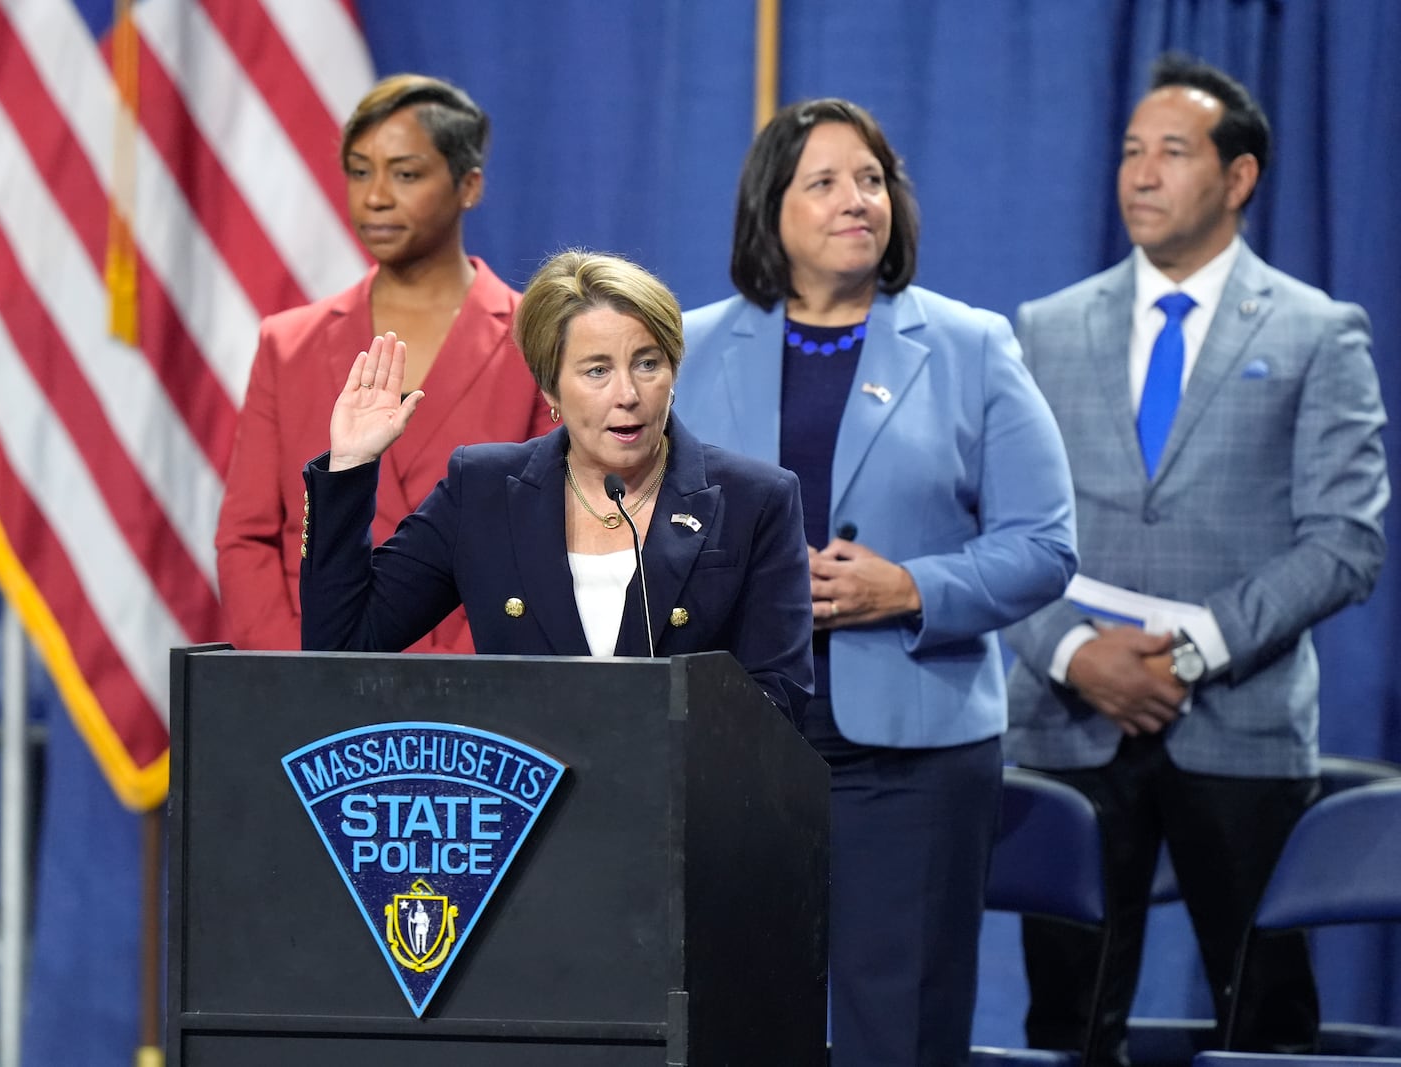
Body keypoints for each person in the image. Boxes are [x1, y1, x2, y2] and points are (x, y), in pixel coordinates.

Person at [673, 98, 1078, 1065]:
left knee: (894, 1030)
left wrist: (909, 588)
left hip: (914, 744)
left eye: (873, 178)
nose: (858, 199)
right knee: (730, 1019)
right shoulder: (685, 348)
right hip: (735, 736)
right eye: (825, 182)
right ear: (770, 209)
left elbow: (1046, 542)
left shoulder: (972, 346)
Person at [1004, 53, 1389, 1066]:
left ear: (1238, 177)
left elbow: (1347, 539)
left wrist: (1189, 651)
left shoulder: (1317, 333)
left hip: (1243, 730)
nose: (1139, 173)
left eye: (1171, 152)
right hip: (1065, 725)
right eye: (1130, 151)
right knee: (1066, 1024)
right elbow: (992, 529)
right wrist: (1073, 650)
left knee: (1263, 1019)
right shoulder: (1043, 330)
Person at [299, 250, 813, 721]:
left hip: (683, 808)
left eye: (647, 364)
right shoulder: (482, 491)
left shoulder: (755, 500)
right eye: (596, 371)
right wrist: (350, 466)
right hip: (523, 809)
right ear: (551, 388)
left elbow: (779, 697)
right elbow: (340, 644)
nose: (628, 394)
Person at [215, 73, 547, 652]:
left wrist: (457, 684)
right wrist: (298, 673)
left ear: (469, 186)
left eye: (406, 173)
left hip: (476, 702)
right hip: (312, 688)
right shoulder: (287, 344)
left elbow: (546, 539)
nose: (375, 197)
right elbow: (248, 537)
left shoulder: (537, 340)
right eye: (360, 171)